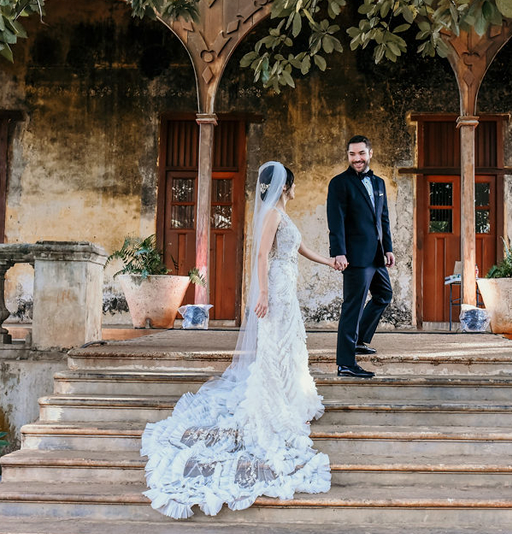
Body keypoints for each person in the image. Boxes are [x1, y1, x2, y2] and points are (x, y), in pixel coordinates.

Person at [141, 162, 334, 519]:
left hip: (287, 287)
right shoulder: (274, 216)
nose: (292, 188)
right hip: (275, 287)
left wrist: (329, 262)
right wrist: (261, 294)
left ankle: (291, 394)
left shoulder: (280, 215)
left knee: (289, 343)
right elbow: (262, 256)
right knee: (275, 343)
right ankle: (275, 403)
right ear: (286, 186)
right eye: (291, 184)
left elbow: (300, 248)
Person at [327, 135, 394, 379]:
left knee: (384, 295)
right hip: (354, 256)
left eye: (361, 153)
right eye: (352, 154)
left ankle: (359, 340)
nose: (357, 159)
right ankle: (346, 363)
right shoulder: (339, 183)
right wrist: (339, 252)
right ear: (348, 156)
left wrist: (388, 248)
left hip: (376, 255)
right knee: (352, 306)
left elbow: (383, 218)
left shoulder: (379, 183)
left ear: (370, 153)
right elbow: (336, 220)